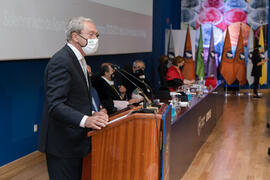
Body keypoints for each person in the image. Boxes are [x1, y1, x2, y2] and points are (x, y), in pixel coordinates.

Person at [38, 17, 109, 180]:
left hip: (74, 142)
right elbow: (55, 105)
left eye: (97, 35)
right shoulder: (62, 61)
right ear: (75, 36)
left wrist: (92, 113)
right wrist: (86, 120)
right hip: (62, 143)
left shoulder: (79, 60)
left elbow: (74, 99)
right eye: (90, 34)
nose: (95, 39)